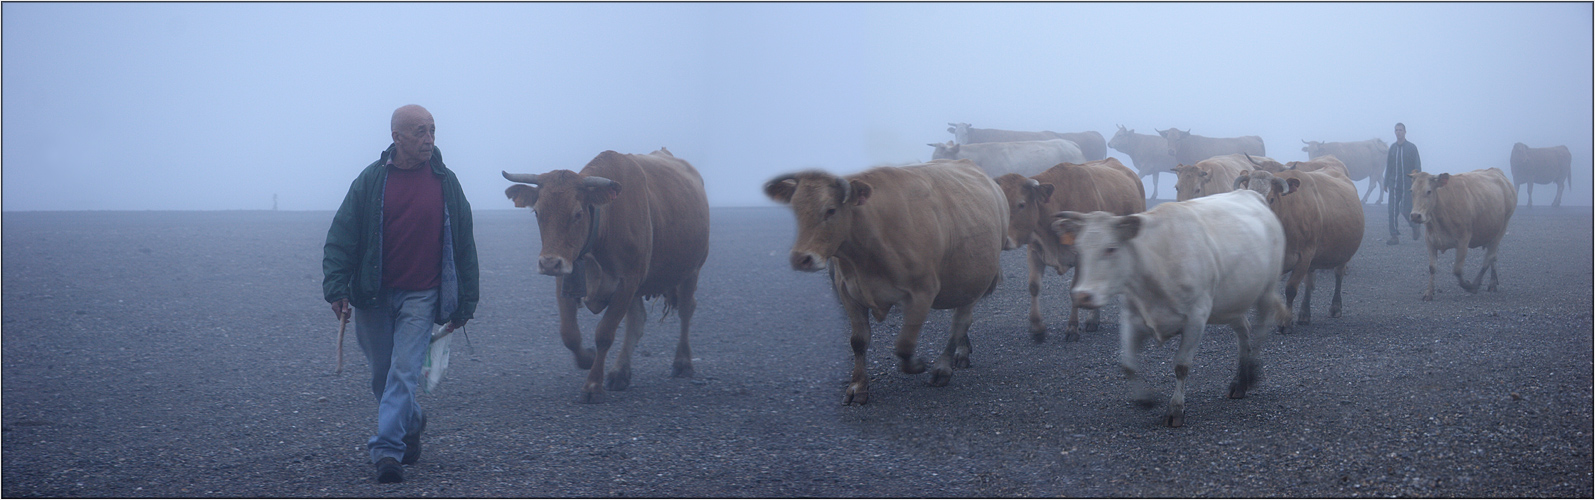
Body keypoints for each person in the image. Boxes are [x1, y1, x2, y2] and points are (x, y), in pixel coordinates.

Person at [322, 104, 479, 483]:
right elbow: (342, 236)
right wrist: (336, 287)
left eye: (433, 131)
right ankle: (413, 420)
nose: (429, 139)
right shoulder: (372, 180)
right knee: (381, 376)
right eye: (421, 132)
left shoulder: (446, 182)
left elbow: (464, 245)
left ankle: (387, 452)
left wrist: (466, 302)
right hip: (373, 295)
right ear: (397, 138)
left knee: (404, 372)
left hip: (421, 296)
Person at [1385, 122, 1422, 245]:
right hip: (1394, 184)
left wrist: (1417, 181)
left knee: (1406, 209)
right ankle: (1394, 235)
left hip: (1408, 184)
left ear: (1405, 132)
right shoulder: (1393, 148)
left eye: (1400, 130)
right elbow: (1389, 166)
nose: (1398, 132)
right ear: (1394, 132)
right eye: (1396, 130)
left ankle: (1415, 226)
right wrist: (1385, 182)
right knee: (1392, 210)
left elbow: (1417, 166)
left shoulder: (1411, 148)